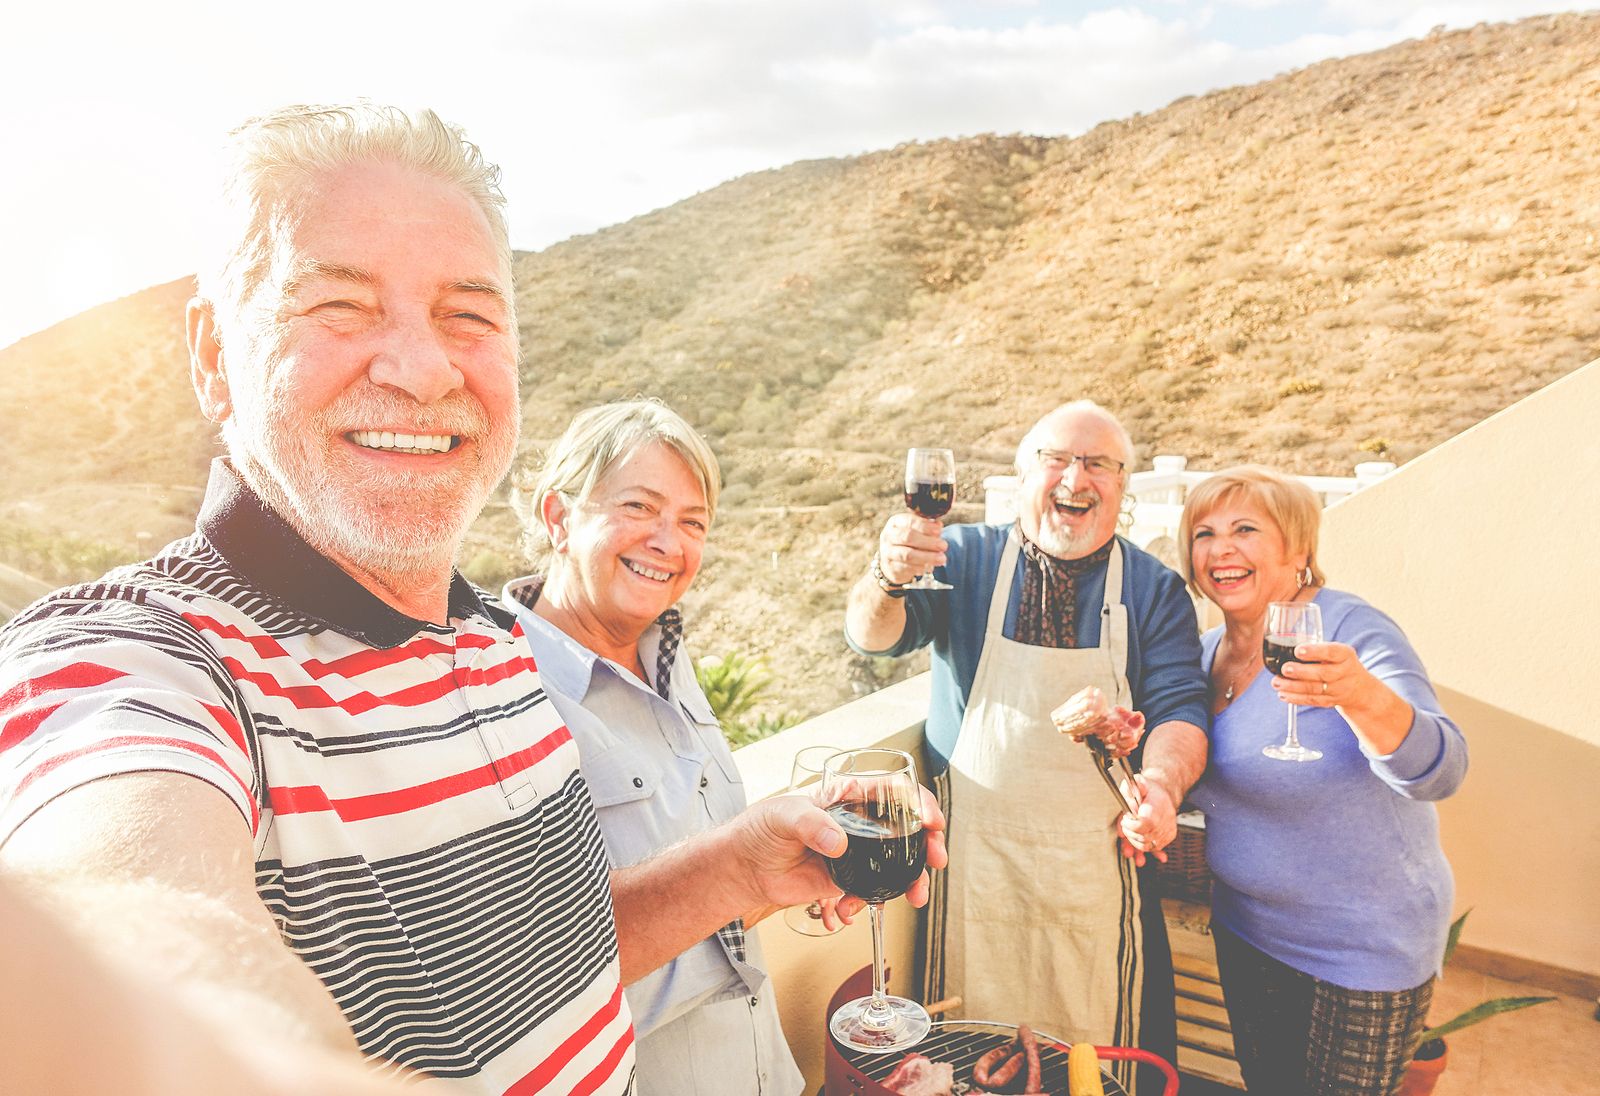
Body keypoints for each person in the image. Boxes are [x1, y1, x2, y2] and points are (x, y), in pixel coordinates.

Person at [0, 104, 944, 1095]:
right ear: (211, 356)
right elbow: (136, 920)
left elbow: (552, 973)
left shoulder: (490, 646)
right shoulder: (129, 660)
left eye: (469, 316)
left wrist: (740, 868)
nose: (420, 368)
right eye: (340, 306)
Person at [844, 401, 1209, 1096]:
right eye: (1056, 459)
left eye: (1098, 463)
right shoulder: (966, 558)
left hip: (1097, 869)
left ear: (1122, 486)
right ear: (1023, 474)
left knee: (1099, 1064)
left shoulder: (1155, 590)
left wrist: (1159, 787)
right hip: (976, 865)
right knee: (963, 1056)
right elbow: (874, 636)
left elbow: (1181, 712)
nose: (1076, 476)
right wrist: (887, 577)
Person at [500, 399, 803, 1096]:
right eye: (639, 507)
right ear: (557, 518)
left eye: (692, 523)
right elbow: (533, 981)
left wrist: (794, 862)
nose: (669, 541)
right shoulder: (505, 696)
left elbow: (704, 891)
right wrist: (744, 870)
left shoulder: (665, 655)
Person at [1179, 465, 1467, 1095]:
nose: (1220, 548)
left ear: (1299, 550)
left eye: (1245, 528)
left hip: (1361, 950)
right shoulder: (1203, 655)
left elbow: (1443, 767)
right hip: (1245, 931)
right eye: (1204, 533)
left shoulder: (1349, 629)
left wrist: (1361, 695)